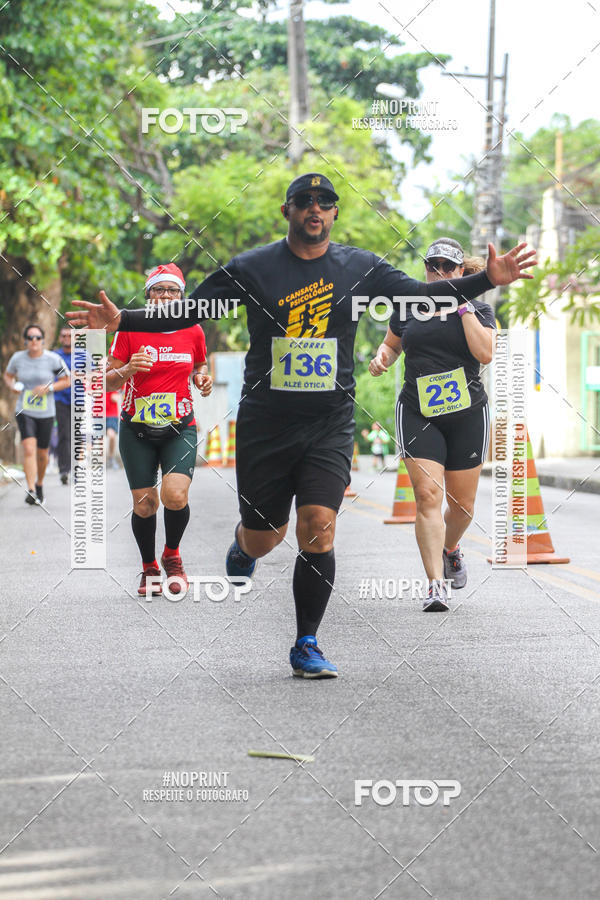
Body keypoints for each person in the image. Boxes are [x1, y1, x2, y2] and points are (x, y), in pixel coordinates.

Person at [67, 174, 536, 677]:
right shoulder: (254, 267)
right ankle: (245, 544)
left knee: (319, 526)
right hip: (266, 423)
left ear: (335, 214)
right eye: (305, 201)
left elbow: (425, 294)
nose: (316, 208)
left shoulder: (360, 268)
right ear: (287, 211)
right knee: (267, 535)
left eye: (326, 202)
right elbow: (191, 311)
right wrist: (125, 322)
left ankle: (306, 642)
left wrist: (487, 278)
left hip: (328, 422)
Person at [369, 237, 494, 612]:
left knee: (463, 506)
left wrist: (461, 307)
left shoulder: (479, 309)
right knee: (427, 496)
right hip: (418, 411)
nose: (438, 272)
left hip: (467, 414)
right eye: (432, 266)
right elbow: (391, 346)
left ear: (460, 272)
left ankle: (450, 548)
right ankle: (435, 584)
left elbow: (486, 352)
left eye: (447, 267)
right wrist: (382, 358)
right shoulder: (408, 307)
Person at [105, 264, 213, 597]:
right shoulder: (130, 329)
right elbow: (104, 380)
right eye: (159, 290)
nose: (166, 296)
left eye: (172, 290)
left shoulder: (193, 329)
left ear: (182, 295)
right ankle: (149, 566)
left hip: (179, 427)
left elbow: (199, 363)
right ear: (148, 294)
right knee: (145, 504)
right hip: (136, 429)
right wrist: (127, 369)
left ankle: (173, 556)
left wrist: (202, 378)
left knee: (175, 495)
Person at [3, 324, 70, 505]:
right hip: (24, 410)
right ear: (25, 340)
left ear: (43, 340)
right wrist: (12, 386)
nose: (34, 341)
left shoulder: (53, 359)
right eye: (31, 337)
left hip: (46, 412)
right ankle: (31, 489)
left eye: (38, 338)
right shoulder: (18, 358)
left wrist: (49, 388)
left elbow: (67, 380)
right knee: (29, 449)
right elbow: (8, 375)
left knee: (42, 453)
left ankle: (40, 484)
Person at [53, 324, 73, 485]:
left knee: (78, 436)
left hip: (80, 401)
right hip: (60, 400)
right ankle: (64, 470)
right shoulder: (54, 357)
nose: (67, 339)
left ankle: (77, 468)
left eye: (69, 335)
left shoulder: (82, 356)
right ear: (60, 338)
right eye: (64, 336)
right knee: (64, 435)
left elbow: (94, 375)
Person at [105, 388, 120, 469]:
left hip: (111, 414)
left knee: (112, 436)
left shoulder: (112, 376)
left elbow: (115, 398)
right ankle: (101, 463)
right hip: (98, 413)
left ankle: (111, 458)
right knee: (98, 439)